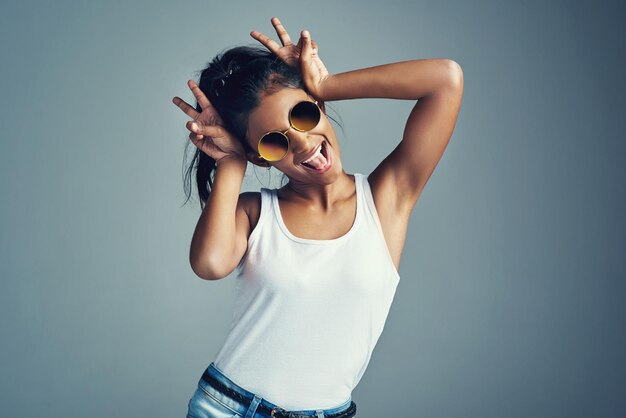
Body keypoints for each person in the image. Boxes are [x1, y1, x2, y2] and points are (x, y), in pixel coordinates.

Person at [172, 17, 463, 418]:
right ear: (260, 155)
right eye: (275, 142)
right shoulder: (256, 213)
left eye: (304, 115)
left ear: (319, 107)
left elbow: (445, 79)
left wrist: (327, 84)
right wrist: (232, 163)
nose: (305, 144)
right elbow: (209, 263)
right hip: (228, 408)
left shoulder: (386, 200)